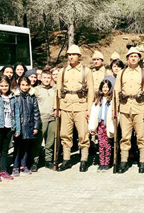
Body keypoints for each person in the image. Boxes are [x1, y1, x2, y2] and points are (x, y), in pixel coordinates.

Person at [54, 44, 95, 172]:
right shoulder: (63, 71)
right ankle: (66, 160)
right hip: (66, 106)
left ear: (79, 56)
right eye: (69, 55)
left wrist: (89, 109)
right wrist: (57, 108)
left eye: (73, 55)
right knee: (65, 134)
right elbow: (58, 90)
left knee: (83, 134)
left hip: (81, 106)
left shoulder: (86, 71)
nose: (71, 57)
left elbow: (91, 91)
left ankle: (84, 160)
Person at [114, 47, 144, 174]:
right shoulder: (121, 73)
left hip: (140, 108)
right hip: (125, 108)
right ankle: (124, 162)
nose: (133, 58)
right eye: (131, 56)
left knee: (142, 137)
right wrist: (115, 109)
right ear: (127, 58)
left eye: (136, 56)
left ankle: (142, 161)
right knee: (125, 137)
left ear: (139, 58)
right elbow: (116, 92)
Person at [12, 77, 41, 176]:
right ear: (19, 85)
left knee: (26, 148)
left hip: (29, 125)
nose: (24, 87)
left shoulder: (32, 97)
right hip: (19, 127)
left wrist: (36, 126)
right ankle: (15, 166)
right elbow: (13, 113)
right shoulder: (16, 97)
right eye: (22, 85)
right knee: (17, 147)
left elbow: (36, 113)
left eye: (26, 85)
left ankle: (23, 165)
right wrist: (15, 127)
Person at [88, 80, 115, 172]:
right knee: (100, 143)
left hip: (107, 123)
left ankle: (107, 162)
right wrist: (92, 126)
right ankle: (101, 162)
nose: (105, 89)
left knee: (107, 144)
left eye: (107, 87)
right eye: (103, 87)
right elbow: (93, 113)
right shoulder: (98, 100)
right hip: (100, 123)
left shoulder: (111, 100)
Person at [35, 70, 57, 170]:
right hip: (41, 118)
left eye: (48, 78)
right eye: (45, 78)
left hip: (52, 118)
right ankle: (35, 161)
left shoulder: (54, 89)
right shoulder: (36, 90)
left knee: (50, 141)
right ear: (41, 78)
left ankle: (48, 160)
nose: (47, 80)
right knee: (38, 141)